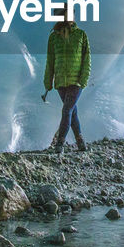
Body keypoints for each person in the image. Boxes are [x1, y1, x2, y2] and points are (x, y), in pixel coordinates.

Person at [42, 19, 91, 151]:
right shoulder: (54, 37)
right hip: (60, 82)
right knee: (72, 111)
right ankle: (81, 142)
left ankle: (60, 143)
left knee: (66, 110)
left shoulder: (81, 35)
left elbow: (86, 58)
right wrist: (48, 82)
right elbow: (50, 60)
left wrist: (83, 79)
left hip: (76, 81)